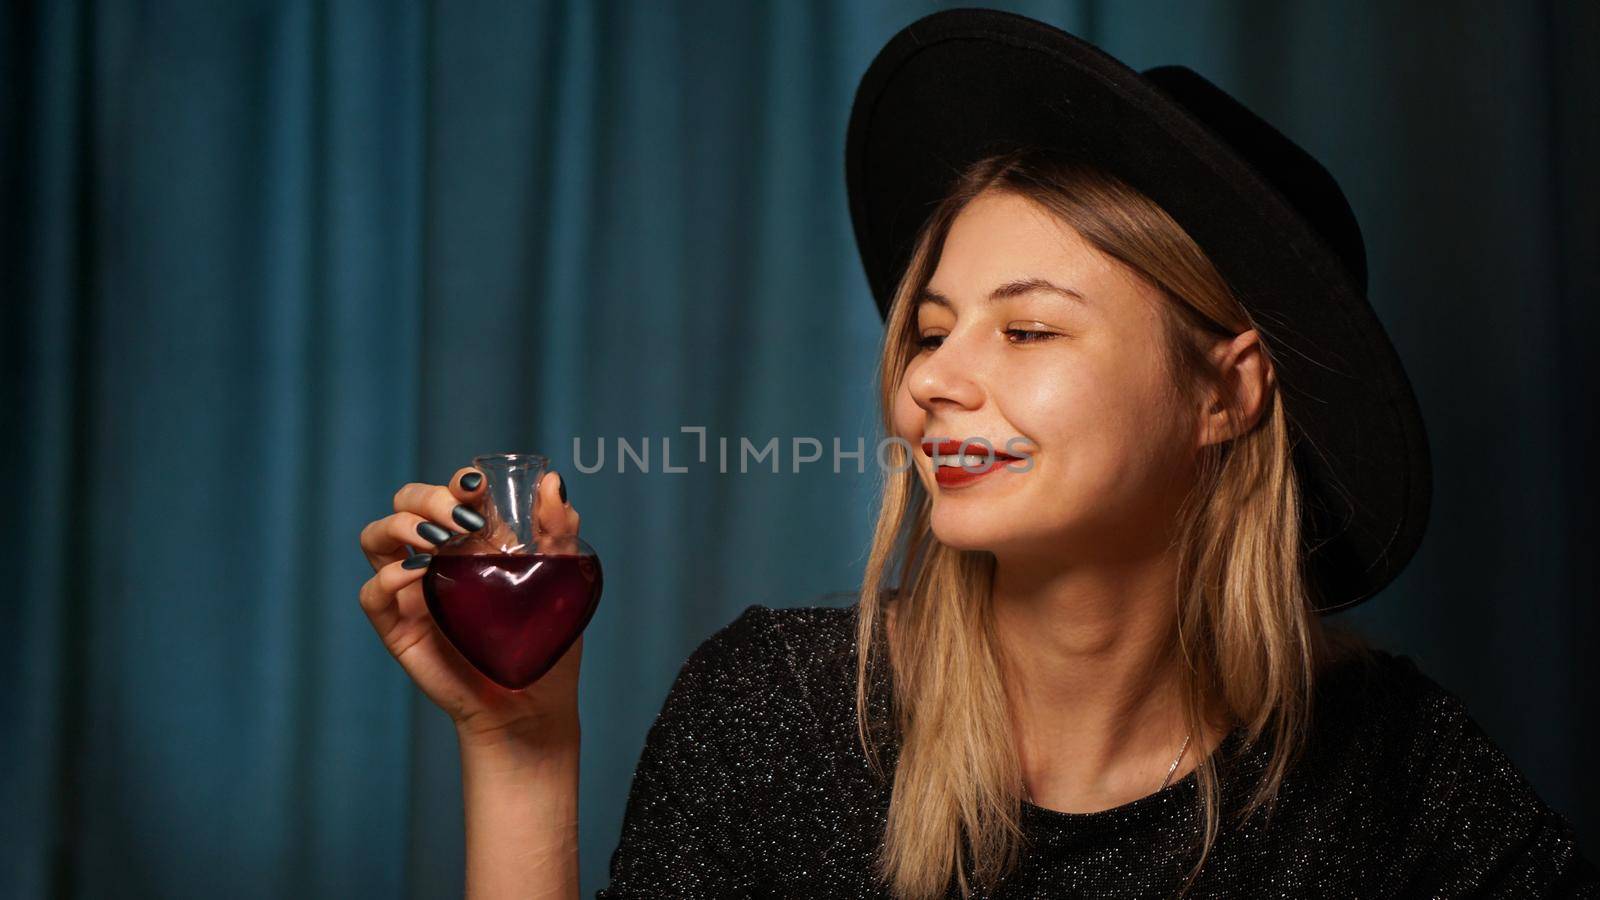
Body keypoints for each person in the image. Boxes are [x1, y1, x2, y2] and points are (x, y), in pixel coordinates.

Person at [355, 9, 1599, 899]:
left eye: (1028, 326)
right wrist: (518, 753)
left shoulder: (1401, 780)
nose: (930, 380)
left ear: (1226, 392)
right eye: (932, 329)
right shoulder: (777, 716)